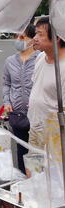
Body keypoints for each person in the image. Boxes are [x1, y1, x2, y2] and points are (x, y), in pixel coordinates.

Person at [3, 24, 39, 174]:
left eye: (22, 37)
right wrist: (7, 102)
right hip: (17, 113)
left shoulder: (41, 59)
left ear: (32, 39)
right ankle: (23, 181)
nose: (18, 40)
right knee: (21, 148)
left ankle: (39, 181)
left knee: (38, 150)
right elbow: (6, 83)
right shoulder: (10, 61)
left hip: (37, 113)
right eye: (16, 36)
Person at [28, 17, 65, 150]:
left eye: (40, 34)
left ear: (57, 38)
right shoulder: (40, 58)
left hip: (56, 133)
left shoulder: (63, 67)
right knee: (34, 169)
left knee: (55, 170)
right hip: (35, 127)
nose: (35, 37)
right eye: (35, 33)